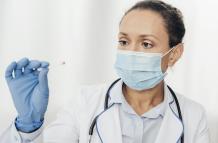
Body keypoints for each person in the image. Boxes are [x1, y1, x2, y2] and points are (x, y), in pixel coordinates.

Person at [0, 0, 210, 143]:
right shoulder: (84, 102)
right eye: (124, 41)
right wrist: (27, 126)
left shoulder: (193, 116)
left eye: (146, 44)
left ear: (174, 54)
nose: (131, 52)